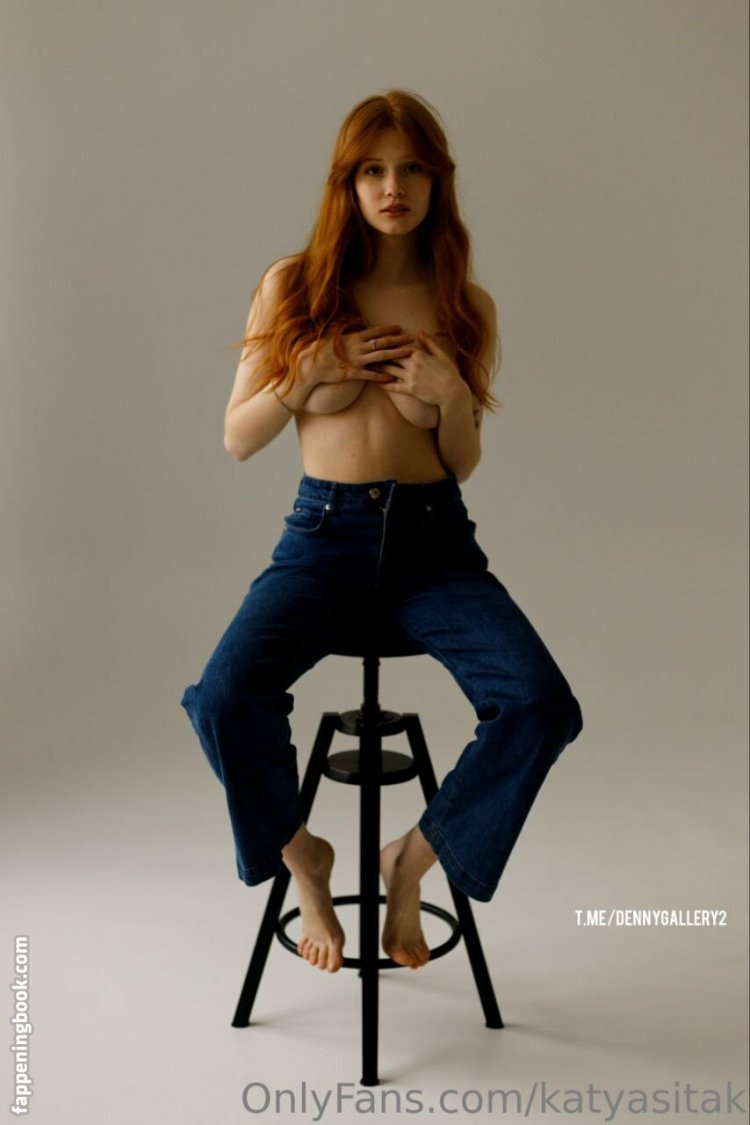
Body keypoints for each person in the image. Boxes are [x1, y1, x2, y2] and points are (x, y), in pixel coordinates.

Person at [180, 89, 583, 976]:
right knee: (222, 697)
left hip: (436, 547)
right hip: (323, 539)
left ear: (438, 182)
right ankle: (304, 858)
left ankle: (412, 857)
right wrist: (304, 376)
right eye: (372, 170)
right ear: (347, 183)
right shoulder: (294, 286)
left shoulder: (463, 301)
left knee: (541, 703)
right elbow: (238, 437)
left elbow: (461, 460)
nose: (392, 187)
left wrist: (450, 399)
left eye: (410, 170)